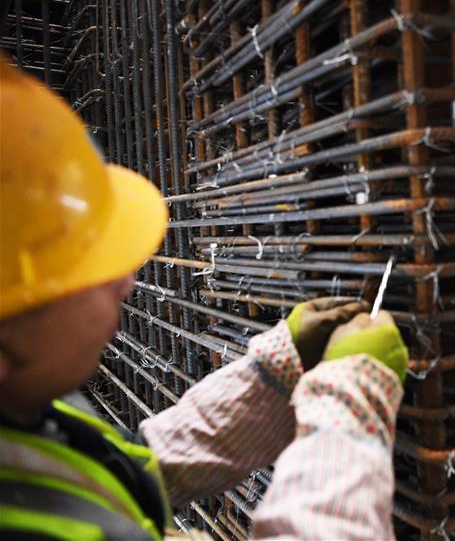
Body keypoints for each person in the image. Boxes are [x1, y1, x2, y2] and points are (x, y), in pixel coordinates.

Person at [0, 56, 409, 539]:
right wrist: (350, 406)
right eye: (83, 267)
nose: (124, 281)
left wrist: (273, 377)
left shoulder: (25, 419)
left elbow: (132, 472)